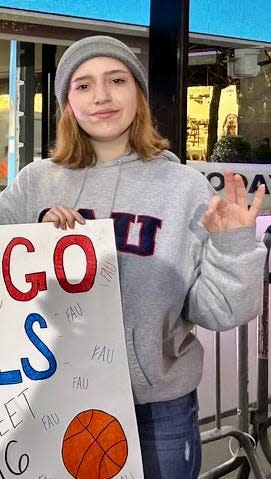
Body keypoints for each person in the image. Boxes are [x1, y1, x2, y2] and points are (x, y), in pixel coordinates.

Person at [0, 36, 266, 478]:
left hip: (155, 410)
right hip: (49, 397)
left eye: (116, 80)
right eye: (83, 85)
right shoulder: (34, 184)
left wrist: (234, 245)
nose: (101, 96)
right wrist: (34, 227)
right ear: (68, 102)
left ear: (138, 96)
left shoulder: (183, 187)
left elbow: (220, 311)